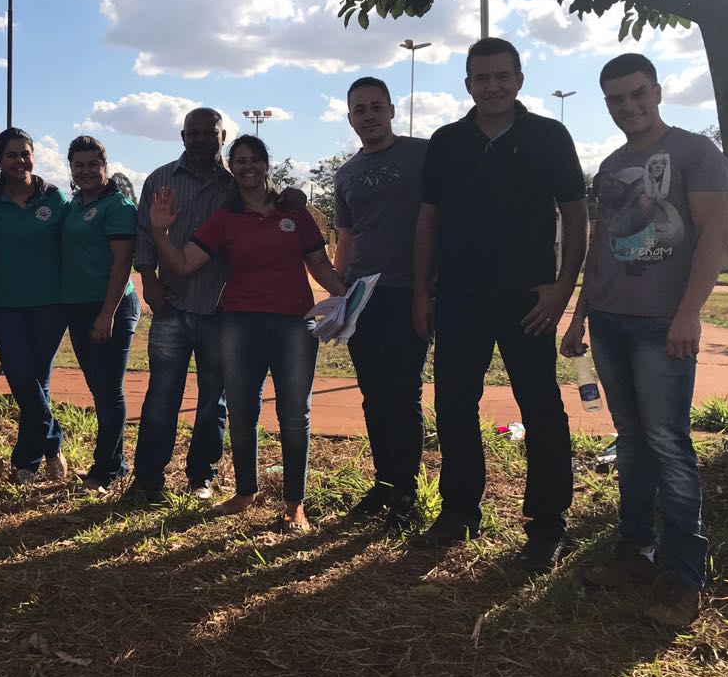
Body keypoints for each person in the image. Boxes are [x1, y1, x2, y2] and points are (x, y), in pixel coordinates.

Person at [562, 53, 728, 626]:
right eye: (615, 99)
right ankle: (635, 551)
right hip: (609, 320)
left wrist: (690, 312)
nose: (627, 106)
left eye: (637, 94)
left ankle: (685, 577)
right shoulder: (609, 167)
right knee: (631, 440)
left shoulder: (696, 153)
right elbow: (599, 248)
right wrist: (580, 316)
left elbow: (713, 236)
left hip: (664, 325)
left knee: (668, 444)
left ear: (657, 91)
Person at [413, 37, 588, 573]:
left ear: (518, 79)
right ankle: (460, 511)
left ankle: (547, 523)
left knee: (540, 408)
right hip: (460, 298)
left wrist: (562, 289)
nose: (492, 86)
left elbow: (576, 217)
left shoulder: (549, 136)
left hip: (528, 299)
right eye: (481, 78)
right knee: (453, 406)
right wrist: (422, 290)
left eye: (501, 76)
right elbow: (428, 221)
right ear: (468, 84)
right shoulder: (445, 142)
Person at [149, 135, 348, 532]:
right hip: (240, 323)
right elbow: (186, 263)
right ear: (232, 167)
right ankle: (245, 492)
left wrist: (349, 296)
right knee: (242, 411)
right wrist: (160, 232)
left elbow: (320, 268)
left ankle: (294, 504)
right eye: (239, 161)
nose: (246, 167)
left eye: (253, 159)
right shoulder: (225, 219)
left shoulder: (295, 213)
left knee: (295, 414)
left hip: (295, 324)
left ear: (265, 164)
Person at [333, 76, 430, 530]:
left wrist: (429, 289)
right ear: (350, 118)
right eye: (360, 110)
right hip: (361, 298)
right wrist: (338, 295)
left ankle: (408, 493)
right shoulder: (346, 174)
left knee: (402, 393)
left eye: (376, 107)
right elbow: (347, 239)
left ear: (392, 109)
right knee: (373, 394)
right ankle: (386, 484)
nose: (368, 116)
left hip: (408, 291)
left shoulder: (421, 155)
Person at [128, 108, 233, 502]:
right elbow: (143, 234)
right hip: (171, 304)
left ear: (223, 135)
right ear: (182, 134)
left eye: (211, 132)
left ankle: (201, 476)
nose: (202, 138)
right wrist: (149, 281)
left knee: (212, 400)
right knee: (162, 394)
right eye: (195, 132)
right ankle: (148, 478)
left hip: (221, 308)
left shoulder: (234, 184)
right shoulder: (160, 179)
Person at [0, 128, 70, 485]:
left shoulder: (54, 198)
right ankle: (53, 446)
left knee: (37, 380)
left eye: (25, 153)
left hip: (50, 304)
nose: (20, 160)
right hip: (5, 303)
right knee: (20, 377)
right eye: (12, 155)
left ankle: (26, 462)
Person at [60, 135, 141, 494]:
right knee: (98, 387)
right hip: (79, 306)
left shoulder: (118, 205)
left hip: (111, 307)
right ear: (72, 169)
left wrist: (107, 313)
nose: (86, 170)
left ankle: (104, 471)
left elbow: (123, 261)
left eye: (93, 164)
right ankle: (118, 462)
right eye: (79, 164)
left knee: (108, 390)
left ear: (105, 167)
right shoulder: (75, 203)